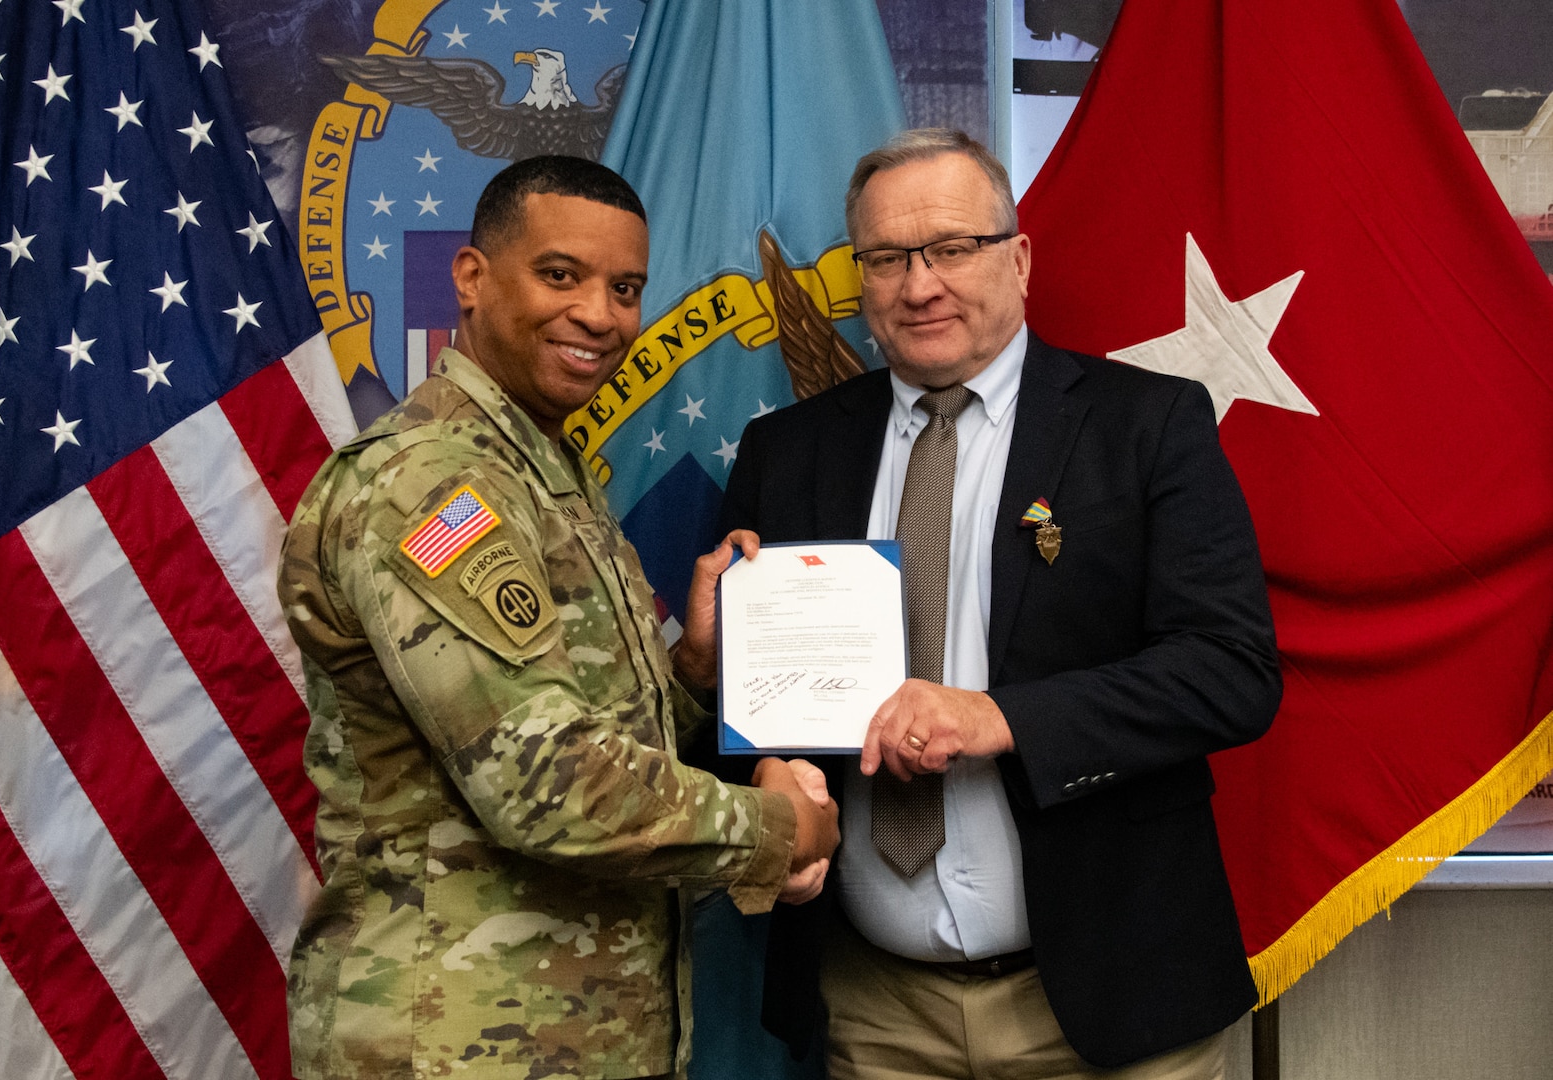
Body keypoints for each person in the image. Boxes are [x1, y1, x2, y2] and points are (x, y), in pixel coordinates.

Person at [719, 129, 1282, 1078]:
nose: (919, 284)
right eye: (888, 258)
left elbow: (1231, 674)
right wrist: (742, 731)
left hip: (1110, 1000)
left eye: (951, 248)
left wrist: (999, 717)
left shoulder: (1146, 425)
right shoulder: (787, 452)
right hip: (873, 1006)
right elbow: (749, 706)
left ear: (1017, 259)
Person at [277, 155, 839, 1080]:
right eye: (560, 275)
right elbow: (543, 780)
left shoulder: (536, 469)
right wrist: (781, 830)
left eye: (625, 288)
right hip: (457, 1042)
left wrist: (691, 677)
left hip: (566, 1038)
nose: (601, 316)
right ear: (471, 278)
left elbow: (562, 722)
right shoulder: (433, 483)